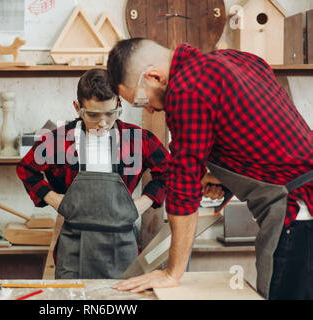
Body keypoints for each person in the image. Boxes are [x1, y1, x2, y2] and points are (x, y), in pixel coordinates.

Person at [107, 38, 313, 299]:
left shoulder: (186, 89)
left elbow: (183, 185)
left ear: (154, 76)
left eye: (139, 100)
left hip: (299, 211)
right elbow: (262, 138)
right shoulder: (236, 60)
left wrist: (172, 273)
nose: (147, 108)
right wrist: (225, 180)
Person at [17, 68, 225, 279]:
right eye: (93, 114)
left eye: (110, 113)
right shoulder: (59, 141)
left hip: (121, 245)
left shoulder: (138, 140)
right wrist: (54, 200)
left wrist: (143, 203)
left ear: (119, 104)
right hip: (73, 247)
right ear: (77, 108)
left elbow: (170, 172)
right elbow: (26, 169)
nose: (103, 123)